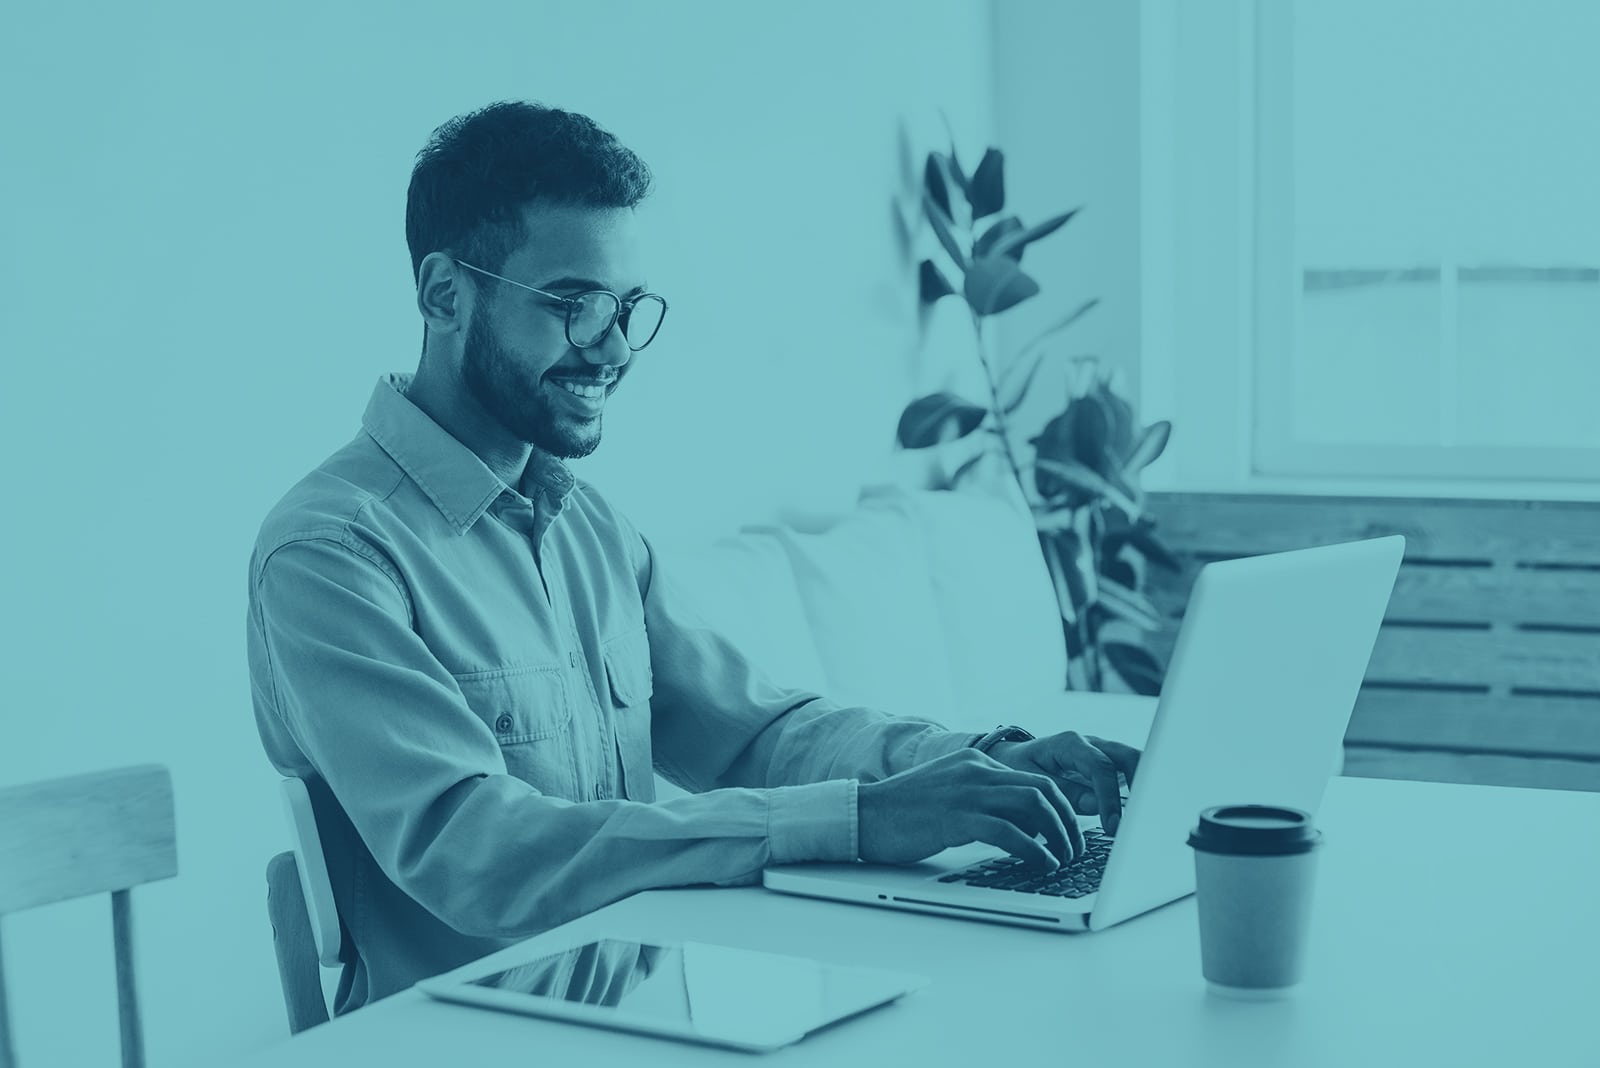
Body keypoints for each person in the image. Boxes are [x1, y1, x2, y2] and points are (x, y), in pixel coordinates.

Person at [245, 100, 1140, 1013]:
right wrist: (863, 821)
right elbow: (478, 851)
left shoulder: (589, 527)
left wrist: (980, 763)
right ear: (444, 294)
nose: (615, 348)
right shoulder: (330, 554)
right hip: (467, 1038)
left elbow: (758, 732)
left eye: (627, 308)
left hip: (649, 1027)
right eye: (575, 306)